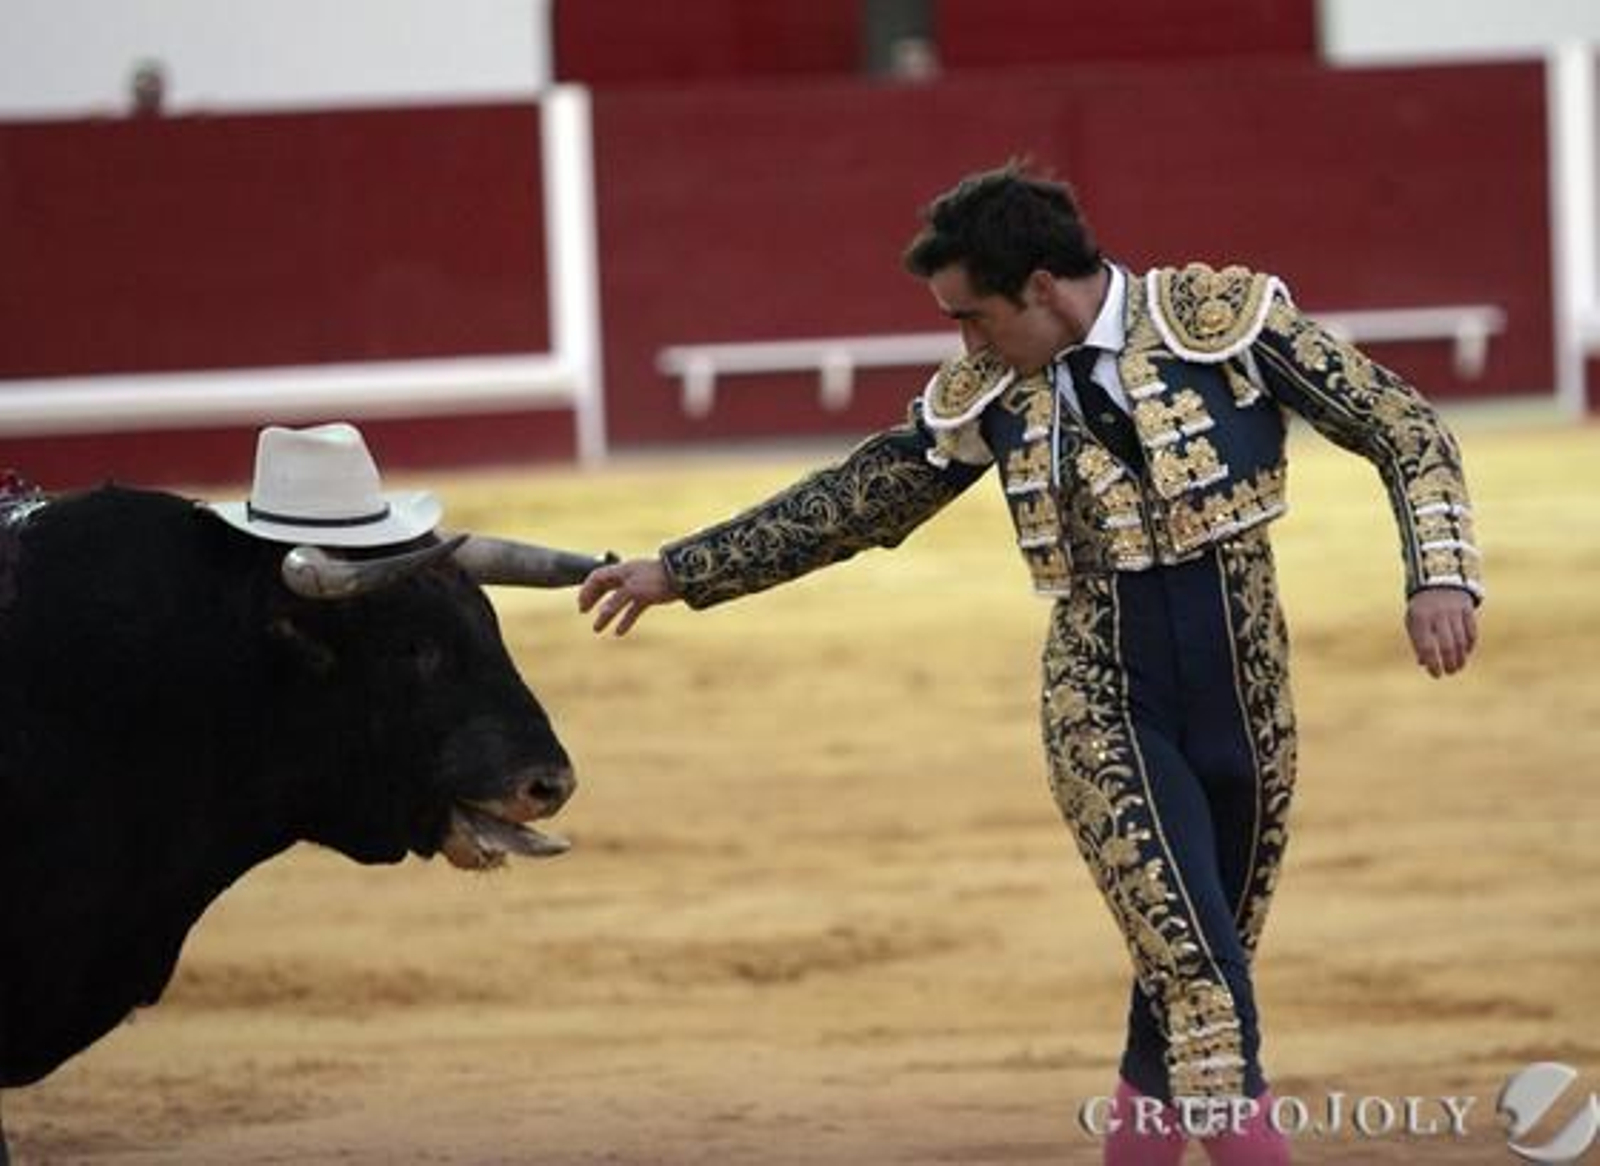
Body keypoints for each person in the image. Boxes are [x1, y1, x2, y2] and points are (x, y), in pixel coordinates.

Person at [576, 164, 1482, 1164]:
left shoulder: (1219, 321)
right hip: (1105, 705)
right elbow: (858, 499)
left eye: (973, 316)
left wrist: (1439, 575)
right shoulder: (989, 393)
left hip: (1251, 704)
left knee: (1176, 989)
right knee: (1199, 980)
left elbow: (1400, 422)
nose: (964, 342)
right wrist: (679, 569)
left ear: (1043, 287)